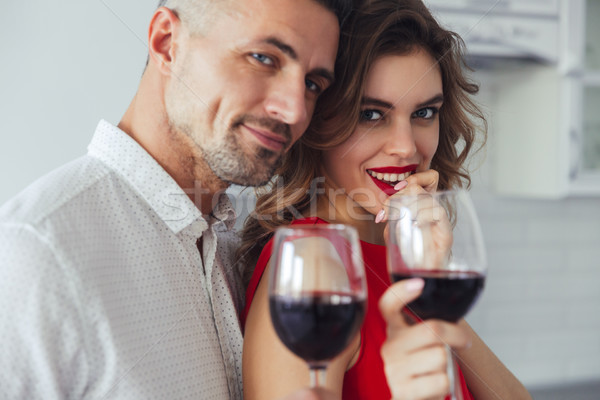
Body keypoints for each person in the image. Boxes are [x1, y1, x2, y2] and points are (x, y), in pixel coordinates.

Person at [0, 0, 355, 398]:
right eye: (263, 58)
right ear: (167, 43)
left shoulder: (242, 250)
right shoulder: (35, 254)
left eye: (312, 84)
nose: (293, 110)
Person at [239, 0, 532, 399]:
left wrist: (428, 283)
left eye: (424, 113)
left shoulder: (389, 259)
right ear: (320, 121)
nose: (406, 147)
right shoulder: (315, 262)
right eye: (371, 115)